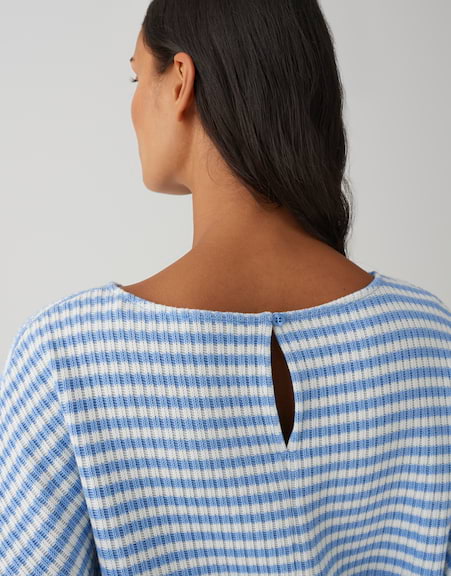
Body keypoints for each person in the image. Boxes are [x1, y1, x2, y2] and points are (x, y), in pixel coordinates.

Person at [1, 1, 450, 575]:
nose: (133, 107)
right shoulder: (430, 339)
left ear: (180, 81)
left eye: (138, 78)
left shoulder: (66, 358)